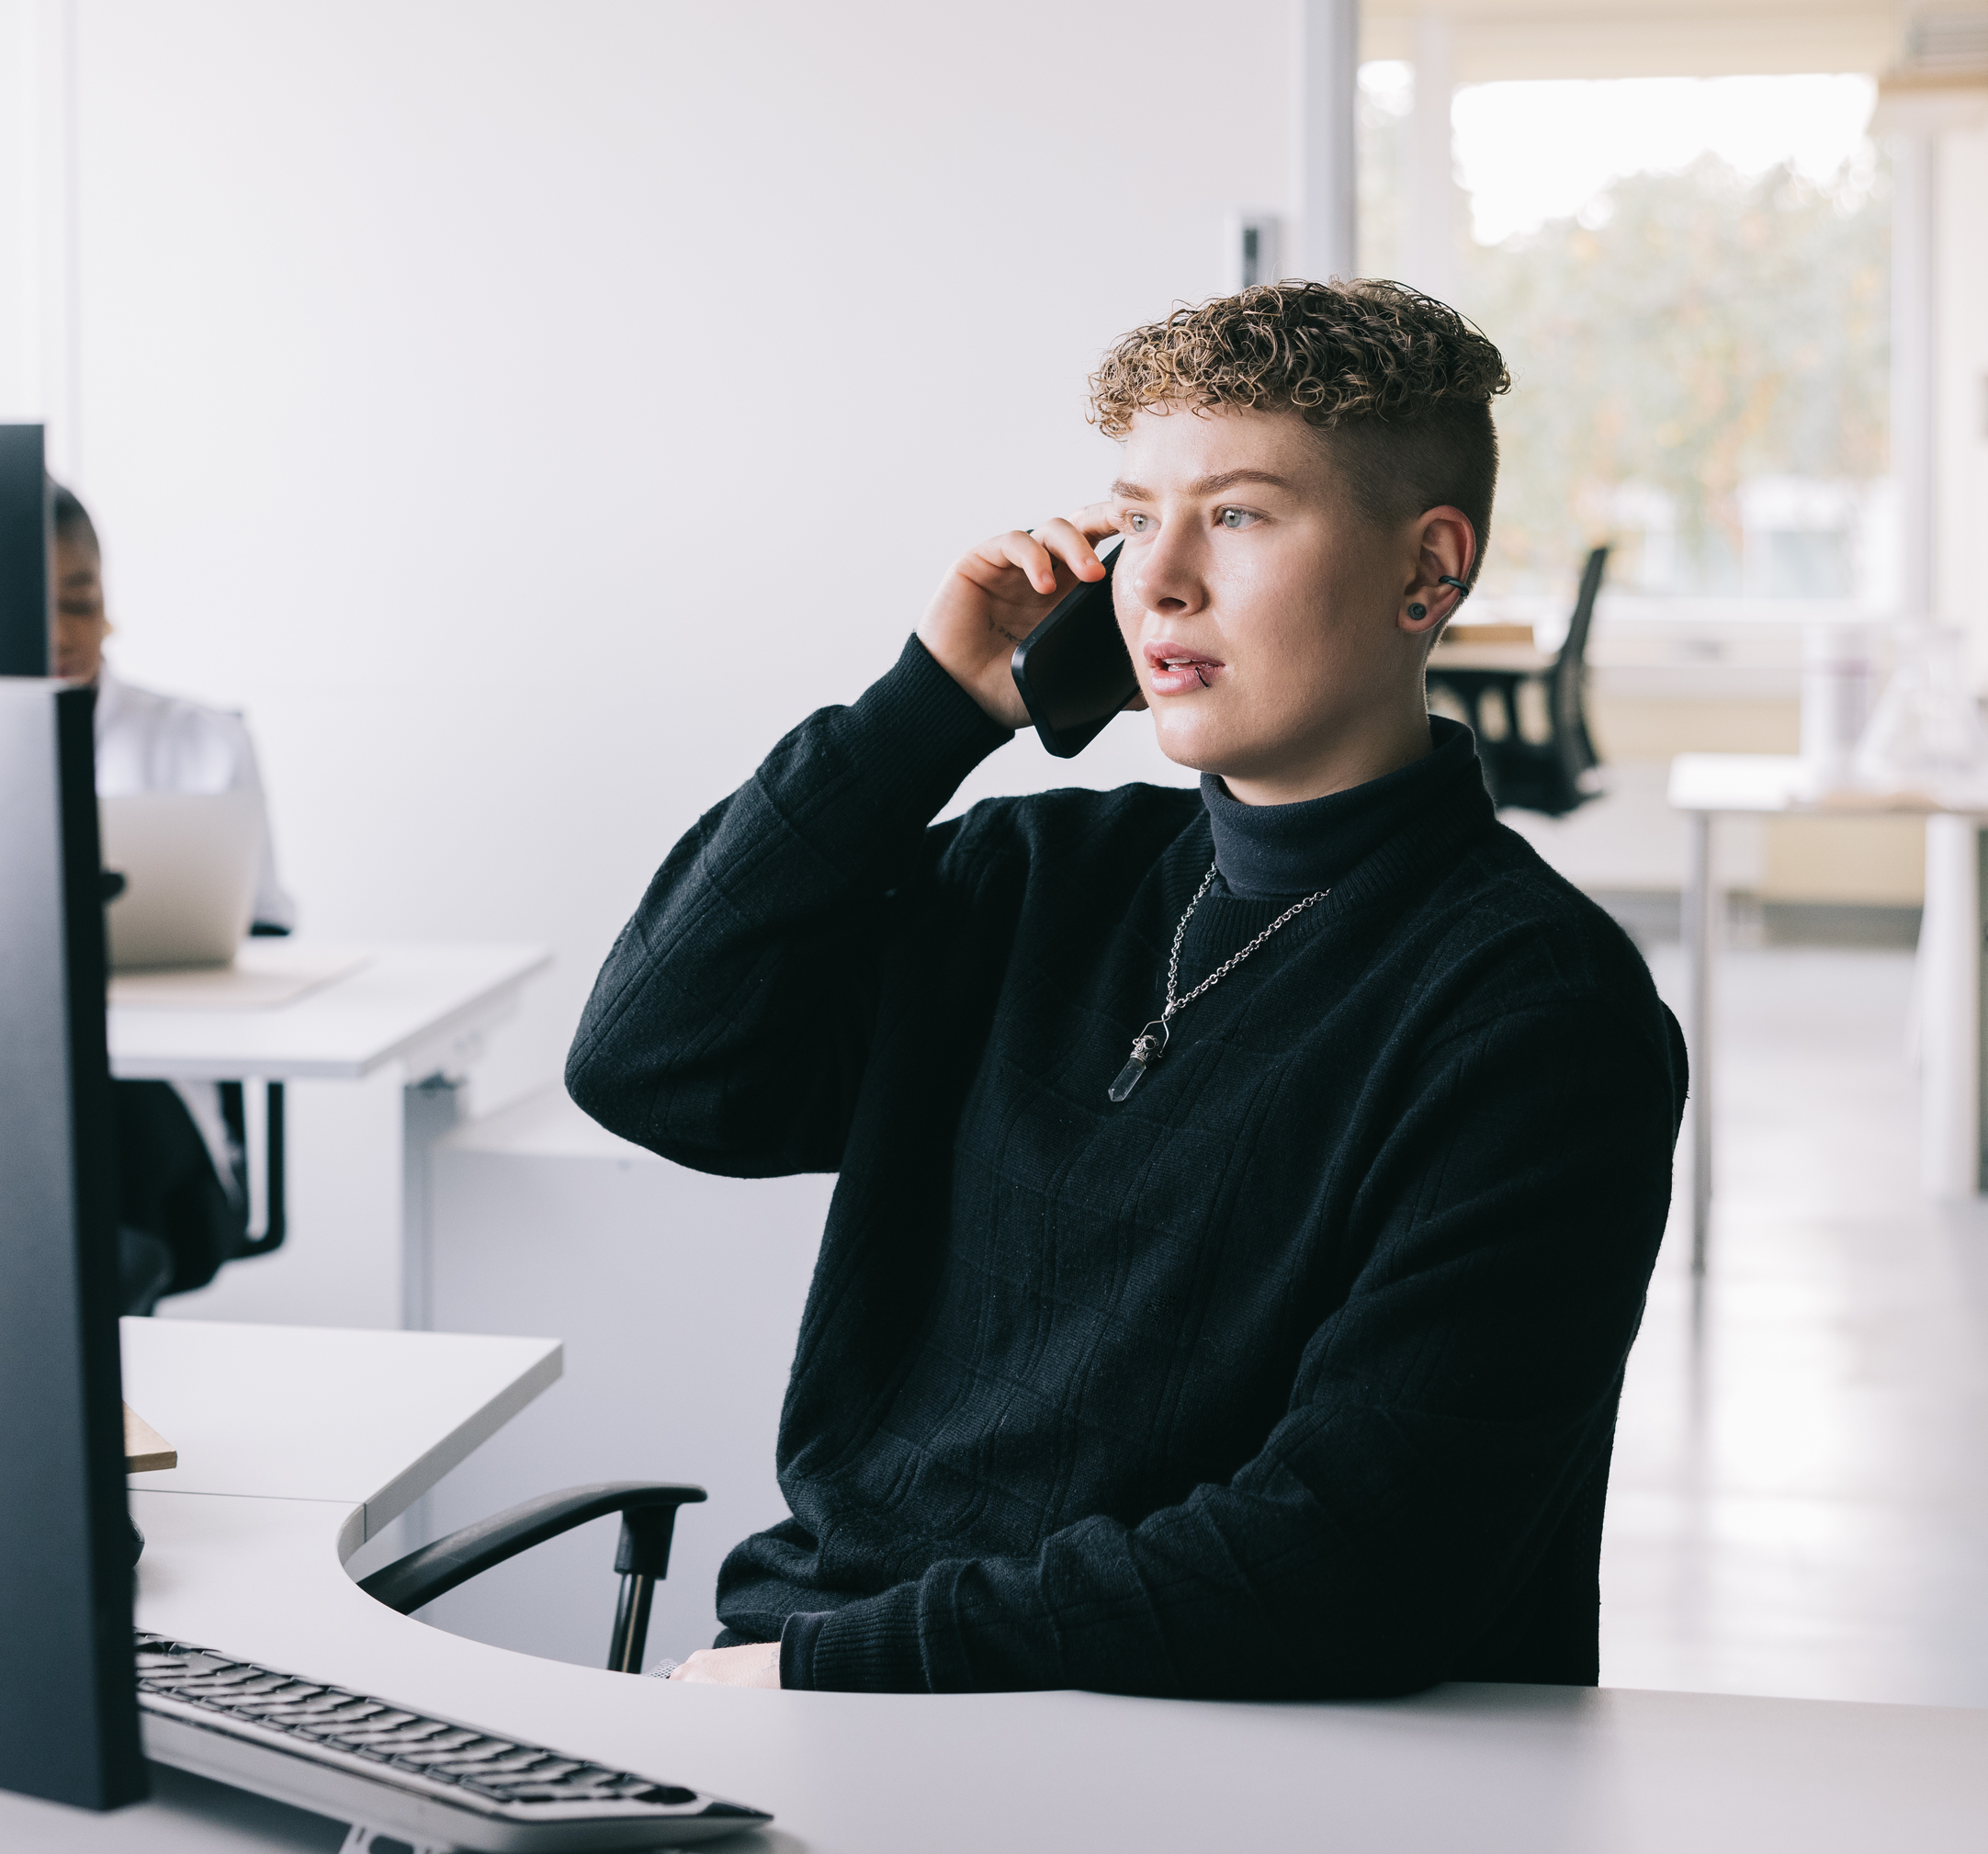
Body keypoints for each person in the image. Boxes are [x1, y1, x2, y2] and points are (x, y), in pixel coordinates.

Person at [570, 280, 1684, 1696]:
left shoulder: (1536, 1014)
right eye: (1133, 516)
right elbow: (652, 1059)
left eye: (1238, 514)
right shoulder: (1034, 875)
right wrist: (931, 706)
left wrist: (829, 1668)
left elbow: (1355, 1562)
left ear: (1430, 570)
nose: (1157, 580)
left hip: (1199, 1759)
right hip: (840, 1684)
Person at [53, 482, 296, 1311]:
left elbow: (264, 940)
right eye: (30, 606)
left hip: (155, 1138)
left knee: (86, 1097)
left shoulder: (199, 743)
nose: (58, 633)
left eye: (79, 602)